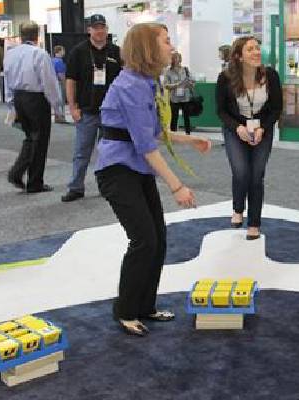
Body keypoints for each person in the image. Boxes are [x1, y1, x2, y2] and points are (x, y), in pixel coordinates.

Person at [95, 23, 211, 336]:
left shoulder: (147, 82)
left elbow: (153, 132)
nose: (171, 45)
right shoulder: (131, 85)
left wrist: (189, 141)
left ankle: (145, 305)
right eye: (165, 40)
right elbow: (146, 146)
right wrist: (177, 185)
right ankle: (126, 310)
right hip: (117, 171)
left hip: (136, 170)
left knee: (157, 239)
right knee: (144, 239)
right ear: (148, 47)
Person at [216, 36, 283, 240]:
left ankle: (254, 223)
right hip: (235, 129)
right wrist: (237, 127)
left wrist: (263, 127)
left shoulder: (270, 75)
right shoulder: (225, 77)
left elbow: (276, 108)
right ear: (238, 56)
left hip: (262, 129)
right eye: (250, 49)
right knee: (241, 172)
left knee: (256, 175)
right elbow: (221, 110)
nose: (256, 52)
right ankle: (238, 208)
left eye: (257, 48)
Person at [62, 14, 122, 202]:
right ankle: (76, 187)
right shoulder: (78, 52)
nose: (99, 30)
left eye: (102, 27)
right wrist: (72, 107)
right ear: (89, 30)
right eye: (95, 27)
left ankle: (107, 187)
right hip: (86, 111)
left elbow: (124, 82)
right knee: (82, 152)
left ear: (106, 29)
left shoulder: (116, 52)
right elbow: (70, 81)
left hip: (111, 113)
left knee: (108, 152)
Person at [3, 22, 62, 194]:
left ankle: (17, 172)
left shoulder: (10, 54)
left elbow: (7, 80)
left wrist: (11, 102)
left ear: (21, 35)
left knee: (30, 137)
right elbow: (49, 83)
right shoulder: (40, 54)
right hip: (36, 100)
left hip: (19, 98)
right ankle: (35, 182)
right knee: (40, 140)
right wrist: (57, 106)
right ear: (37, 36)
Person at [164, 51, 194, 135]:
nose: (176, 59)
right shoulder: (168, 71)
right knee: (174, 117)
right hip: (174, 98)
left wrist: (190, 84)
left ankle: (188, 133)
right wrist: (177, 85)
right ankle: (173, 134)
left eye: (177, 57)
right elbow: (166, 85)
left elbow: (192, 81)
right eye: (174, 58)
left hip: (185, 96)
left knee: (186, 117)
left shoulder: (185, 69)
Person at [52, 45, 67, 123]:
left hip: (52, 83)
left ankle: (57, 116)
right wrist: (65, 85)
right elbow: (61, 75)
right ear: (59, 51)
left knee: (56, 100)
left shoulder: (52, 60)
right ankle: (61, 117)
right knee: (61, 100)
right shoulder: (59, 61)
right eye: (63, 50)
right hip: (59, 83)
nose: (64, 52)